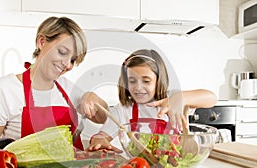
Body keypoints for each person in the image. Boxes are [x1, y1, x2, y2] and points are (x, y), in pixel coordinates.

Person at [0, 16, 108, 152]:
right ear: (41, 42)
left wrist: (92, 97)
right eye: (62, 52)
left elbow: (104, 118)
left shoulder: (68, 88)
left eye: (72, 60)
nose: (66, 64)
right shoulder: (2, 90)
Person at [87, 49, 217, 152]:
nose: (138, 87)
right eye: (132, 81)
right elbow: (101, 136)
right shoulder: (123, 109)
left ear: (158, 80)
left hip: (175, 166)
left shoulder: (174, 100)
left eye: (146, 81)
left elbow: (211, 98)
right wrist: (99, 141)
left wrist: (179, 98)